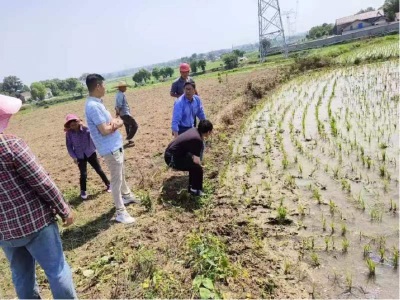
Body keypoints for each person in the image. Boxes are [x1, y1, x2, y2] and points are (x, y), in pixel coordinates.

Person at [0, 94, 77, 299]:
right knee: (57, 270)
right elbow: (41, 181)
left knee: (21, 275)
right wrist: (64, 209)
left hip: (5, 232)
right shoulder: (10, 145)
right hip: (36, 223)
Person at [84, 74, 136, 224]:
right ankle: (121, 212)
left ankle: (126, 196)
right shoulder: (93, 106)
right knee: (116, 180)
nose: (106, 88)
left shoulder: (97, 103)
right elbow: (105, 130)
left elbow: (109, 122)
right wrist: (118, 124)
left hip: (115, 145)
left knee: (121, 174)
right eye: (104, 85)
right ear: (98, 86)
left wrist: (114, 123)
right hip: (110, 148)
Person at [65, 113, 111, 199]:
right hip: (79, 156)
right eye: (70, 123)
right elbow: (69, 146)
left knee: (99, 170)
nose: (72, 124)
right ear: (68, 125)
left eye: (74, 121)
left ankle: (108, 184)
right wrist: (74, 157)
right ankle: (83, 191)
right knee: (83, 174)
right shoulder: (69, 134)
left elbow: (95, 135)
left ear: (78, 121)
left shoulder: (86, 129)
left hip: (90, 153)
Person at [165, 119, 213, 196]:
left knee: (193, 164)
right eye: (211, 131)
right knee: (197, 168)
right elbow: (196, 161)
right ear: (208, 132)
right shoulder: (198, 140)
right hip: (171, 159)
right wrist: (201, 166)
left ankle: (191, 187)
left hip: (170, 153)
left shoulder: (194, 130)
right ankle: (195, 190)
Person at [114, 81, 138, 146]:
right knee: (135, 125)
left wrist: (118, 113)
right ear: (121, 87)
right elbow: (118, 105)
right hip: (125, 114)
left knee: (128, 127)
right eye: (125, 87)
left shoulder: (118, 94)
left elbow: (117, 106)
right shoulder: (120, 94)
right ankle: (129, 138)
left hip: (123, 114)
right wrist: (118, 113)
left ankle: (130, 141)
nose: (126, 88)